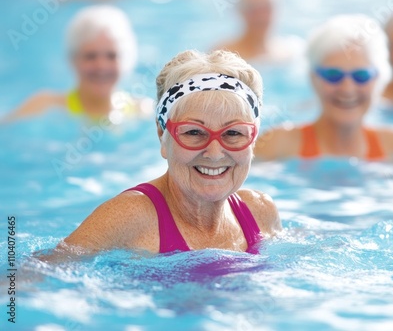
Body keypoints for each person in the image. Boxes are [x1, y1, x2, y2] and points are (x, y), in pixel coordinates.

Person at [44, 50, 281, 257]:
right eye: (194, 132)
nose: (215, 153)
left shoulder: (260, 213)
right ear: (162, 134)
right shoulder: (129, 217)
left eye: (233, 133)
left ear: (253, 138)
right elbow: (30, 281)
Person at [254, 14, 393, 161]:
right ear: (314, 78)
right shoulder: (275, 147)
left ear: (378, 80)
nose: (347, 88)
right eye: (333, 75)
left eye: (361, 76)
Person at [1, 5, 150, 124]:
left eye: (111, 56)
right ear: (74, 60)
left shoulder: (142, 111)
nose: (102, 66)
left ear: (126, 60)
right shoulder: (45, 107)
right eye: (90, 56)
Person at [213, 0, 304, 65]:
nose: (261, 17)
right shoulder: (223, 55)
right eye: (253, 9)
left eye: (266, 8)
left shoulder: (292, 49)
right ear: (241, 12)